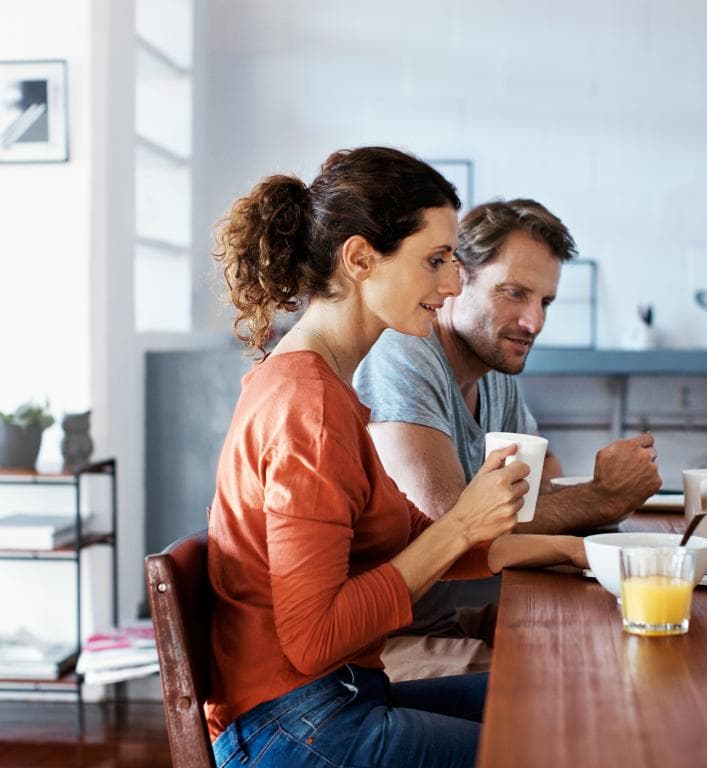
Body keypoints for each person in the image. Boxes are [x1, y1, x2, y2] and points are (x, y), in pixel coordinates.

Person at [205, 147, 586, 768]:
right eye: (436, 260)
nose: (453, 284)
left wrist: (572, 552)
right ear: (359, 259)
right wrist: (464, 522)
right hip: (295, 727)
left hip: (336, 700)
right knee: (559, 749)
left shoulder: (326, 387)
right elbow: (313, 639)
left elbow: (417, 540)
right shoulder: (310, 407)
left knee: (565, 706)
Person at [353, 199, 661, 678]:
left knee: (607, 641)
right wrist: (602, 499)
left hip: (445, 618)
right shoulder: (403, 354)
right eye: (514, 293)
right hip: (380, 643)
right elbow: (449, 527)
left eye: (545, 302)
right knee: (560, 682)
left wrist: (600, 502)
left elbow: (540, 489)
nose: (534, 322)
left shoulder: (493, 372)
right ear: (456, 277)